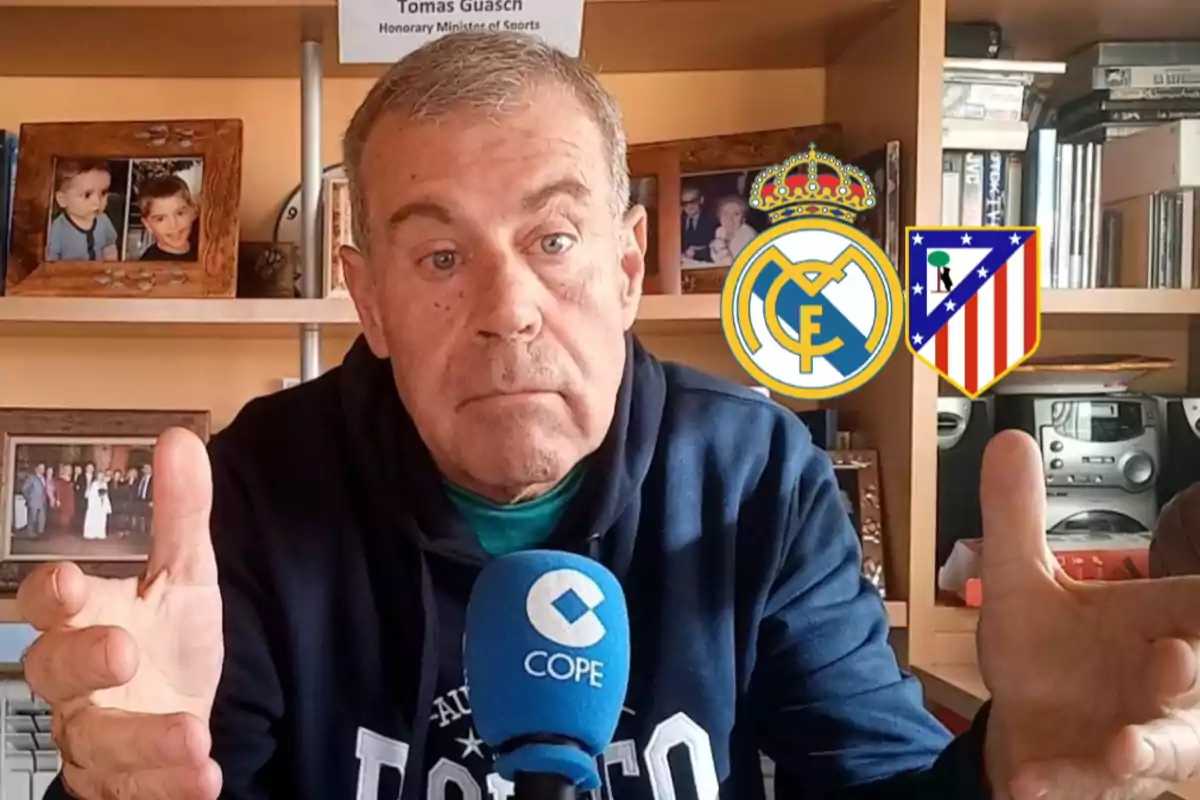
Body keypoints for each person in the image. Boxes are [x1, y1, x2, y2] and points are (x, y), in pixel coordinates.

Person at [19, 31, 1200, 800]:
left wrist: (998, 766)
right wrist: (110, 787)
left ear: (631, 266)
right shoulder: (261, 489)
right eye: (439, 255)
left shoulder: (755, 475)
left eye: (555, 238)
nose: (507, 311)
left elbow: (875, 785)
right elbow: (174, 769)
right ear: (366, 296)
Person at [45, 159, 120, 262]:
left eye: (103, 193)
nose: (97, 201)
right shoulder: (57, 229)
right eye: (87, 195)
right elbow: (50, 261)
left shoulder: (104, 221)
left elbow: (110, 247)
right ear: (63, 199)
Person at [135, 174, 200, 261]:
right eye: (160, 219)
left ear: (193, 212)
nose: (173, 225)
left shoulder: (205, 251)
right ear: (148, 225)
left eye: (180, 213)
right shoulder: (149, 264)